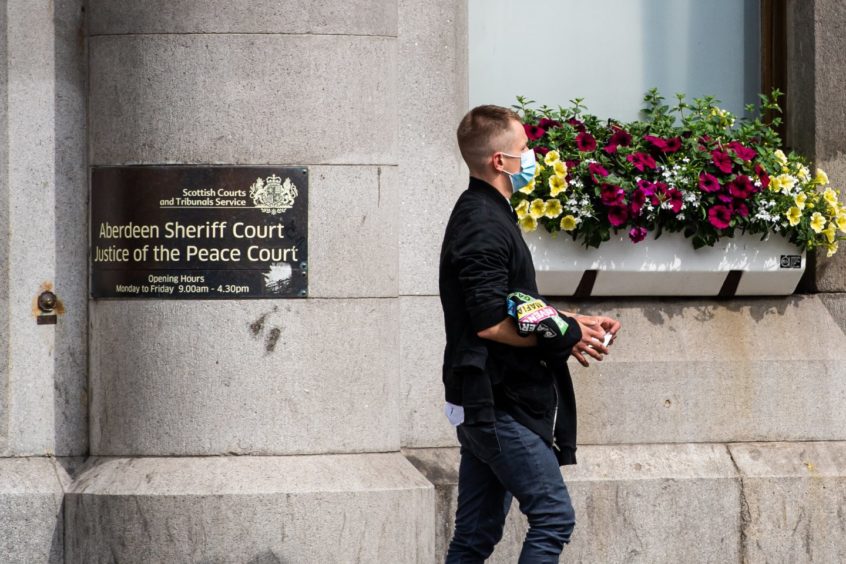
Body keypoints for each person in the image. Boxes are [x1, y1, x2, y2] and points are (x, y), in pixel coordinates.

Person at [439, 105, 621, 563]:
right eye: (524, 149)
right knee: (554, 517)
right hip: (497, 403)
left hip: (490, 402)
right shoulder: (481, 222)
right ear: (499, 161)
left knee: (475, 537)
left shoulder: (489, 214)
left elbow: (513, 303)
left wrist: (574, 320)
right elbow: (490, 323)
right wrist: (565, 336)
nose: (532, 157)